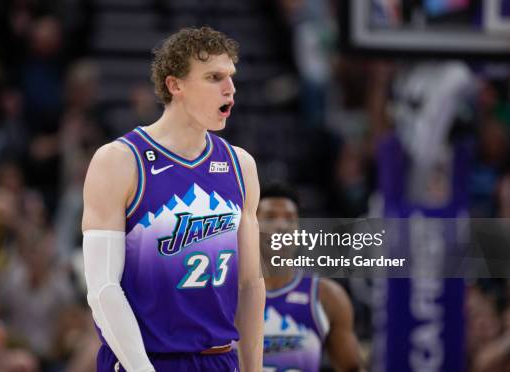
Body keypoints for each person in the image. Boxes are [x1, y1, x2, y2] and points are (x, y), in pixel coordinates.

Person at [81, 27, 265, 372]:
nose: (230, 89)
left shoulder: (241, 165)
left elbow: (250, 284)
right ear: (174, 85)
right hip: (146, 360)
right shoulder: (119, 161)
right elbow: (102, 289)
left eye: (231, 77)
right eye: (214, 77)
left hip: (219, 359)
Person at [257, 184, 363, 372]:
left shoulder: (327, 295)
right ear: (251, 225)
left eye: (290, 219)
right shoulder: (224, 292)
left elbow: (352, 368)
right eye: (270, 217)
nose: (281, 227)